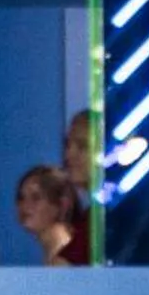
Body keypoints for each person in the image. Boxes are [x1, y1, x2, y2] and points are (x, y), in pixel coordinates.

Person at [15, 163, 82, 267]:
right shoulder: (53, 253)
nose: (25, 205)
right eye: (21, 198)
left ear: (62, 205)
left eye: (36, 198)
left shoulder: (66, 257)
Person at [61, 109, 98, 264]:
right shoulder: (89, 218)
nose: (68, 155)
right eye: (67, 145)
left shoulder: (107, 221)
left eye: (82, 146)